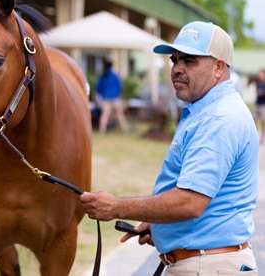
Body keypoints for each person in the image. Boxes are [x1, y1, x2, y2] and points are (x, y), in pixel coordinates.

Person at [80, 21, 259, 275]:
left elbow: (190, 202)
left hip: (207, 266)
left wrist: (116, 207)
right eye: (175, 60)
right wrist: (161, 224)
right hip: (206, 262)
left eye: (190, 61)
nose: (177, 69)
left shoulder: (218, 119)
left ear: (219, 67)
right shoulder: (210, 111)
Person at [96, 59, 128, 134]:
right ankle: (125, 130)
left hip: (106, 98)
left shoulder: (102, 76)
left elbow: (98, 89)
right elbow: (120, 88)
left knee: (105, 115)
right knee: (119, 115)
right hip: (115, 98)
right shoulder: (115, 76)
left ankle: (102, 130)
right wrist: (121, 97)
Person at [249, 69, 265, 144]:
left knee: (263, 122)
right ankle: (254, 137)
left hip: (263, 105)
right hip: (257, 103)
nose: (260, 76)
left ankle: (261, 138)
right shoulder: (258, 82)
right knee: (253, 120)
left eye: (261, 74)